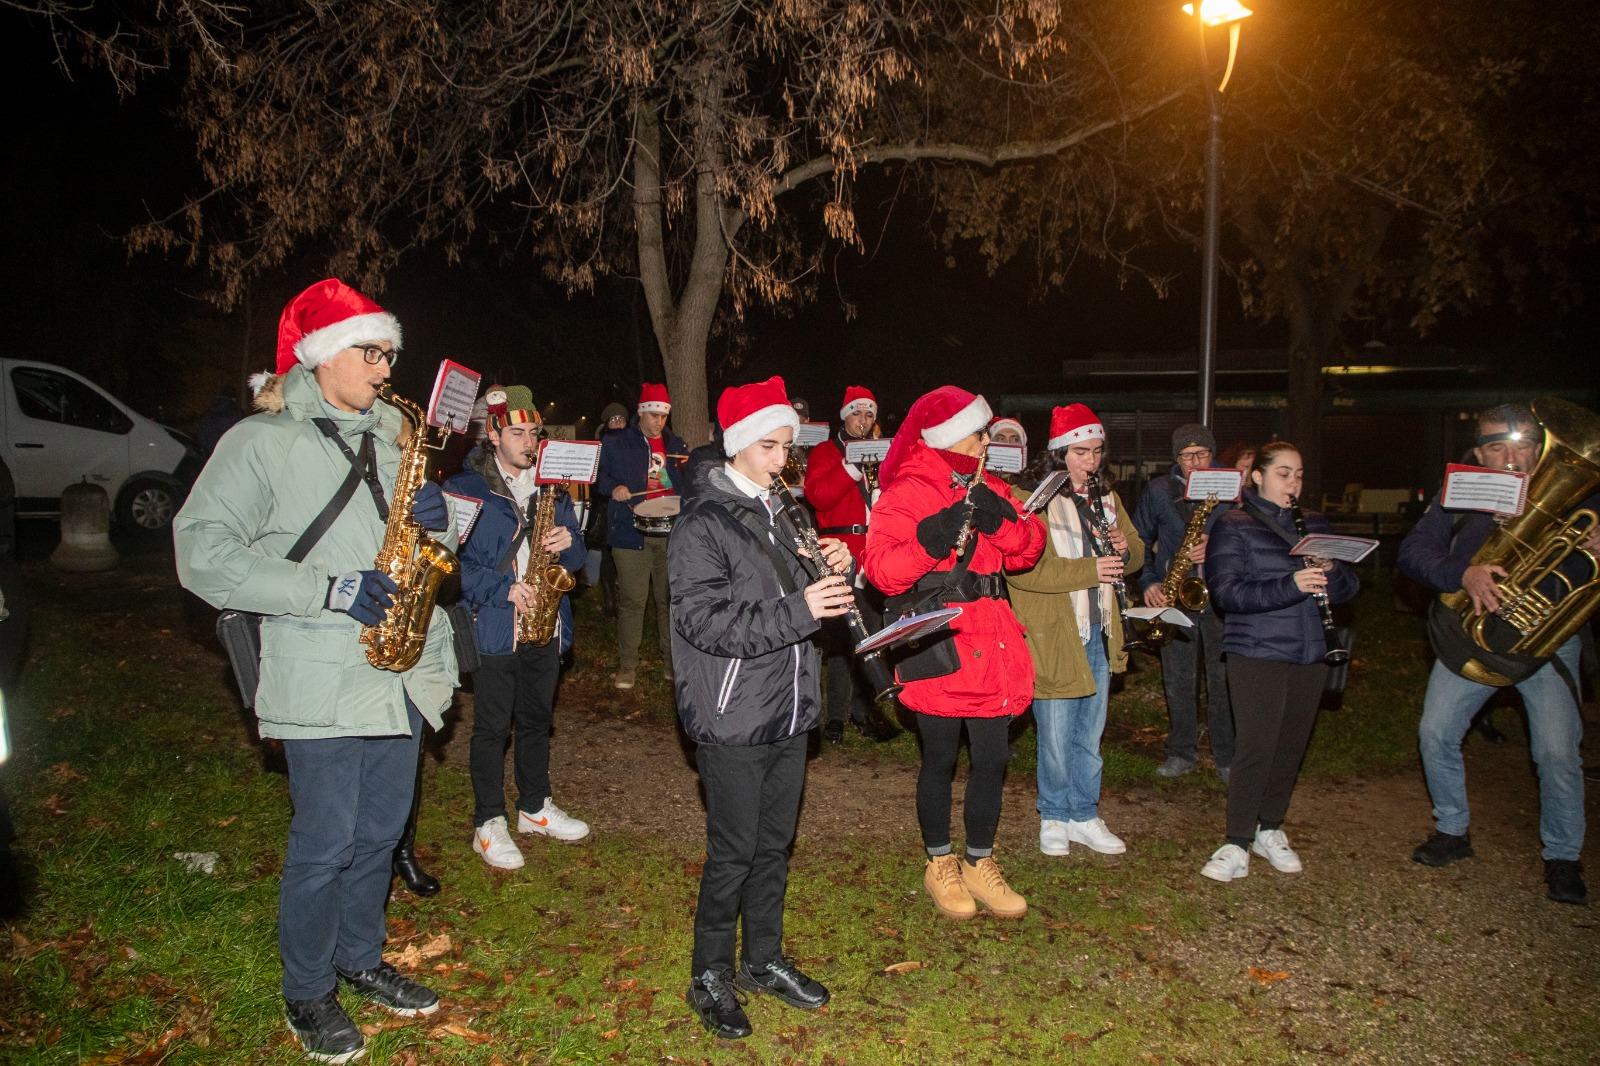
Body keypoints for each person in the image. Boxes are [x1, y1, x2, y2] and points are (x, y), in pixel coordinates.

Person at [175, 279, 455, 1062]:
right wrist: (324, 589)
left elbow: (421, 543)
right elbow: (199, 551)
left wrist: (445, 523)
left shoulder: (397, 437)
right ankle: (307, 991)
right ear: (322, 356)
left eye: (390, 353)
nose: (385, 367)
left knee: (379, 833)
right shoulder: (260, 442)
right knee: (325, 840)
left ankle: (360, 958)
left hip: (398, 671)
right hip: (319, 672)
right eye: (373, 351)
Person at [670, 376, 853, 1039]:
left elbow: (802, 602)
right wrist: (799, 608)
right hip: (733, 713)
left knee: (775, 846)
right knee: (733, 852)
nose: (785, 461)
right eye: (773, 448)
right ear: (741, 446)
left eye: (788, 448)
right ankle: (710, 974)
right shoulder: (703, 522)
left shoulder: (781, 512)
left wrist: (835, 565)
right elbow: (705, 621)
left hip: (790, 706)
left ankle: (764, 959)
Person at [1398, 403, 1596, 905]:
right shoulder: (1461, 493)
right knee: (1436, 732)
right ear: (1479, 453)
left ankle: (1563, 857)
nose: (1510, 457)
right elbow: (1414, 552)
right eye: (1496, 446)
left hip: (1545, 640)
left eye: (1523, 444)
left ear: (1540, 448)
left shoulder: (1585, 496)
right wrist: (1461, 573)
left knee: (1556, 753)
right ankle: (1452, 831)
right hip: (1472, 632)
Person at [862, 386, 1046, 920]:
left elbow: (1029, 549)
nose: (989, 440)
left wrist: (1004, 522)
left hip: (996, 637)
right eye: (980, 432)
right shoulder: (909, 488)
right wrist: (932, 538)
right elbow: (882, 571)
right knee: (940, 757)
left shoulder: (989, 485)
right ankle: (939, 861)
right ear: (952, 437)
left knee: (993, 757)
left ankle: (979, 861)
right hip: (941, 641)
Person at [445, 385, 590, 871]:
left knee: (534, 722)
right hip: (495, 626)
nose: (530, 441)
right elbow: (447, 563)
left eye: (534, 432)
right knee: (491, 727)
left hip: (544, 626)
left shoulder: (551, 486)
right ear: (493, 434)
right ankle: (488, 821)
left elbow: (576, 558)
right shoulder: (465, 491)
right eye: (519, 432)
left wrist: (571, 542)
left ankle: (534, 807)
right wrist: (501, 588)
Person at [1200, 442, 1358, 883]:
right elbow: (1228, 593)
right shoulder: (1234, 524)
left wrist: (1334, 572)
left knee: (1291, 746)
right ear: (1258, 477)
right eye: (1283, 473)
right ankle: (1235, 841)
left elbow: (1348, 589)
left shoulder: (1317, 525)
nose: (1293, 483)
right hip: (1257, 650)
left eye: (1299, 475)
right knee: (1257, 745)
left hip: (1310, 650)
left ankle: (1270, 828)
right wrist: (1292, 585)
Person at [1006, 404, 1145, 858]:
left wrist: (1126, 551)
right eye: (1080, 452)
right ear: (1058, 453)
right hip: (1054, 634)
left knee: (1091, 734)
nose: (1091, 461)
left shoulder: (1108, 499)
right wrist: (1093, 569)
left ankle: (1085, 814)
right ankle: (1053, 816)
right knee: (1056, 734)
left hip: (1101, 631)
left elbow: (1139, 553)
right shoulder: (1032, 500)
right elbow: (1024, 573)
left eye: (1097, 451)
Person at [1133, 423, 1236, 782]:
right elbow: (1138, 540)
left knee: (1224, 680)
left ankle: (1226, 754)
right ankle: (1181, 751)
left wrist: (1219, 546)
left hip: (1222, 598)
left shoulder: (1234, 491)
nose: (1194, 461)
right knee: (1177, 678)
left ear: (1213, 454)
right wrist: (1148, 580)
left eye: (1202, 454)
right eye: (1186, 455)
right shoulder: (1159, 490)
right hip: (1176, 596)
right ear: (1176, 458)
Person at [804, 385, 898, 743]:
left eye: (870, 414)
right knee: (844, 639)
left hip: (873, 552)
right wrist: (851, 468)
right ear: (846, 416)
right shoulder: (826, 452)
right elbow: (818, 496)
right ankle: (836, 717)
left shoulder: (880, 454)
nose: (864, 420)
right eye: (858, 413)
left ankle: (864, 712)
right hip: (840, 549)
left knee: (872, 635)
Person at [596, 384, 687, 689]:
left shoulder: (677, 445)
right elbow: (600, 478)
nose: (658, 422)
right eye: (653, 415)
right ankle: (627, 665)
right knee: (634, 600)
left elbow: (688, 483)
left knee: (668, 600)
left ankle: (672, 663)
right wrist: (614, 489)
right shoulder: (617, 443)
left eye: (663, 415)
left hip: (670, 532)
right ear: (640, 412)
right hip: (629, 531)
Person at [583, 401, 631, 618]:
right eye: (613, 420)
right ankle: (611, 602)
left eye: (621, 419)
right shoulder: (601, 445)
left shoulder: (633, 442)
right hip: (607, 508)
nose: (618, 423)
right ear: (606, 424)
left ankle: (626, 598)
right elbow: (598, 480)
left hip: (629, 508)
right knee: (608, 557)